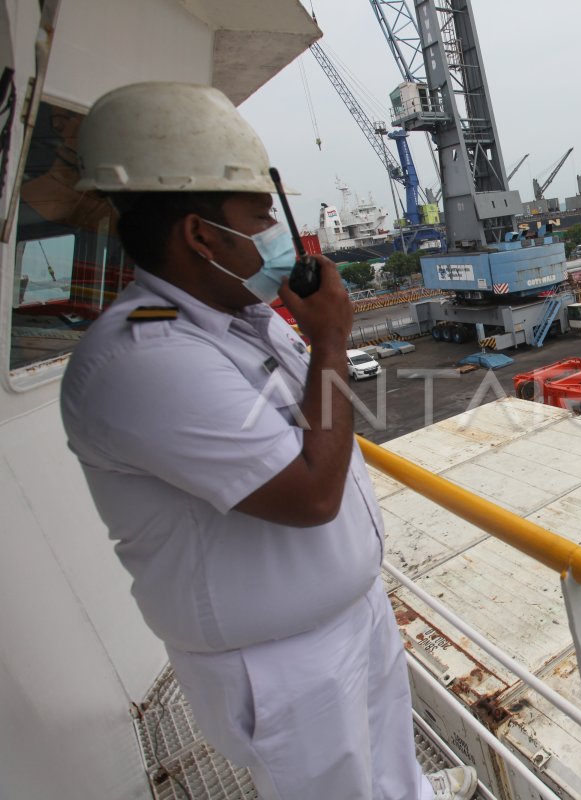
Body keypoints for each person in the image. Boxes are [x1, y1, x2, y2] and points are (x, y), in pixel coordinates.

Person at [60, 82, 476, 800]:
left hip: (349, 618)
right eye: (261, 218)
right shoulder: (144, 360)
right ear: (200, 235)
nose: (281, 238)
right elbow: (312, 492)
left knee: (394, 777)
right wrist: (332, 340)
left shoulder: (240, 320)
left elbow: (316, 431)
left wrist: (318, 340)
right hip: (284, 664)